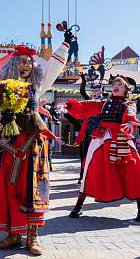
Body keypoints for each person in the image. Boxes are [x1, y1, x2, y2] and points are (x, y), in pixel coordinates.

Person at [0, 33, 71, 255]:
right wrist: (3, 120)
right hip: (9, 145)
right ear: (13, 65)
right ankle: (13, 234)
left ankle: (33, 237)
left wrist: (65, 46)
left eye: (29, 62)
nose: (26, 64)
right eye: (22, 61)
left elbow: (53, 68)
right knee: (10, 187)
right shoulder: (1, 88)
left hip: (33, 142)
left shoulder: (37, 87)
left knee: (33, 188)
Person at [60, 76, 140, 221]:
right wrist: (73, 107)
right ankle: (79, 206)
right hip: (102, 140)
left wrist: (130, 122)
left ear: (126, 89)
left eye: (119, 84)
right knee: (90, 169)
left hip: (122, 138)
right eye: (114, 83)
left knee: (134, 170)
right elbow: (88, 106)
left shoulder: (130, 103)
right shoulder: (104, 103)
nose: (115, 85)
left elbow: (131, 113)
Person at [72, 73, 105, 183]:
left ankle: (98, 177)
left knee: (98, 156)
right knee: (85, 155)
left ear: (100, 91)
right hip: (88, 133)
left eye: (96, 91)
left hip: (99, 134)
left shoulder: (103, 102)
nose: (94, 93)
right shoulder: (89, 101)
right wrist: (83, 80)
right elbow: (82, 92)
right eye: (93, 91)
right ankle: (83, 176)